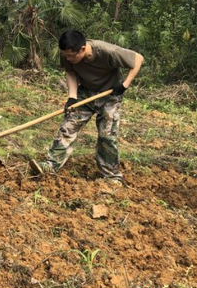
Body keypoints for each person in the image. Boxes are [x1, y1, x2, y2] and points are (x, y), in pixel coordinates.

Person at [30, 30, 144, 184]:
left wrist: (124, 85)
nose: (68, 58)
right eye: (66, 56)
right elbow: (70, 73)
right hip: (86, 92)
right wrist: (72, 97)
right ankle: (51, 165)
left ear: (83, 49)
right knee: (68, 127)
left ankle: (111, 177)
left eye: (72, 56)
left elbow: (138, 59)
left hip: (110, 95)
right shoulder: (67, 53)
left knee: (107, 136)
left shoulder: (106, 51)